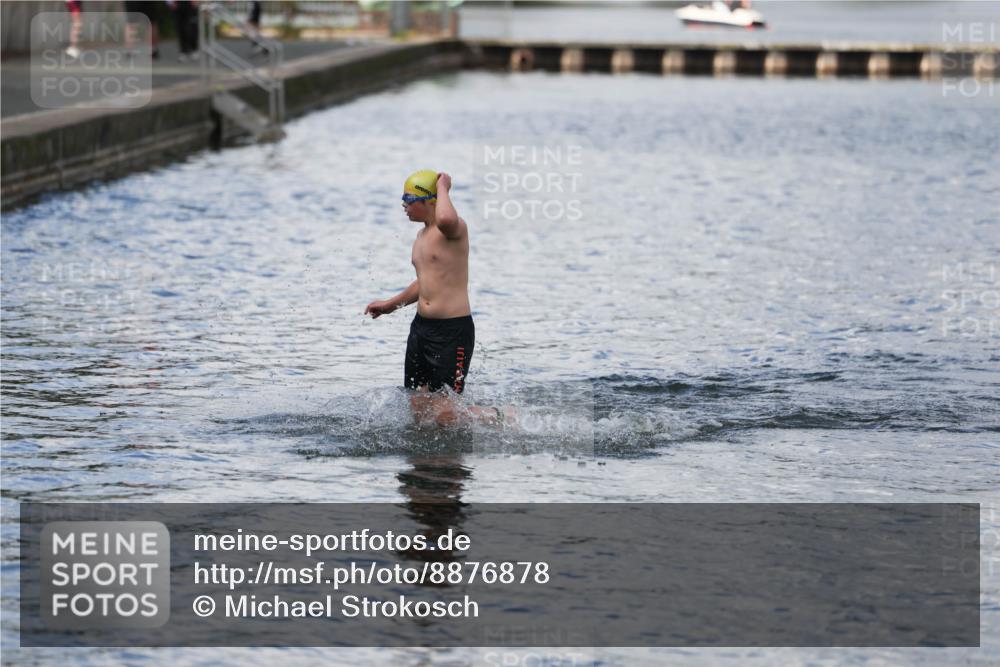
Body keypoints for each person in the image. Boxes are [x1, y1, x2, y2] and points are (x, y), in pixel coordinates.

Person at [365, 170, 511, 428]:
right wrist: (390, 305)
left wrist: (443, 186)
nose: (404, 205)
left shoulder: (453, 230)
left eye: (408, 198)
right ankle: (424, 468)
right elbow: (425, 283)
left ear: (428, 200)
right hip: (421, 329)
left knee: (446, 414)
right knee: (418, 407)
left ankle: (500, 416)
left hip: (452, 331)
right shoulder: (421, 237)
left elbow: (444, 217)